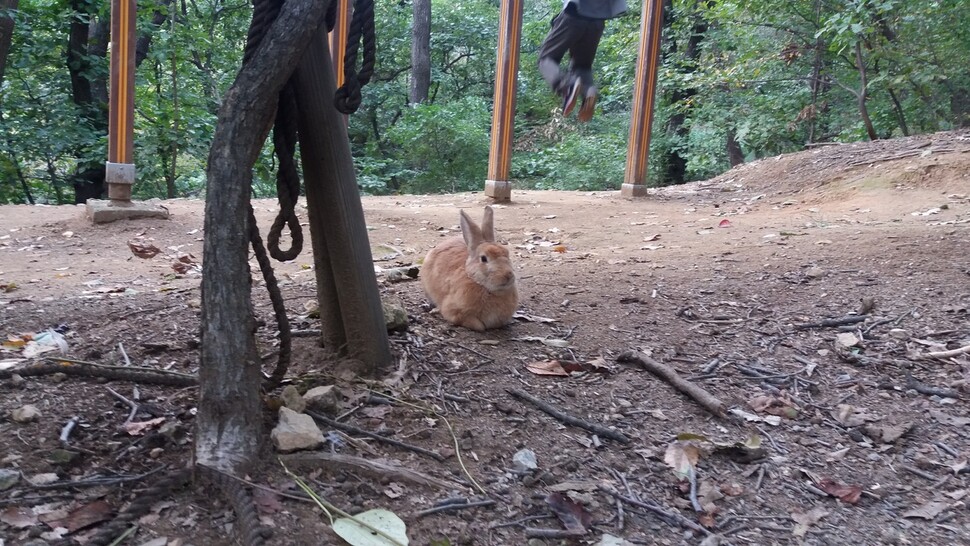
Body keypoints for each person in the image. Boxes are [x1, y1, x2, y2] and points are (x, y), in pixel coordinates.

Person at [538, 0, 627, 122]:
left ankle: (567, 85)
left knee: (546, 58)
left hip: (574, 14)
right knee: (582, 66)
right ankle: (588, 91)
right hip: (597, 20)